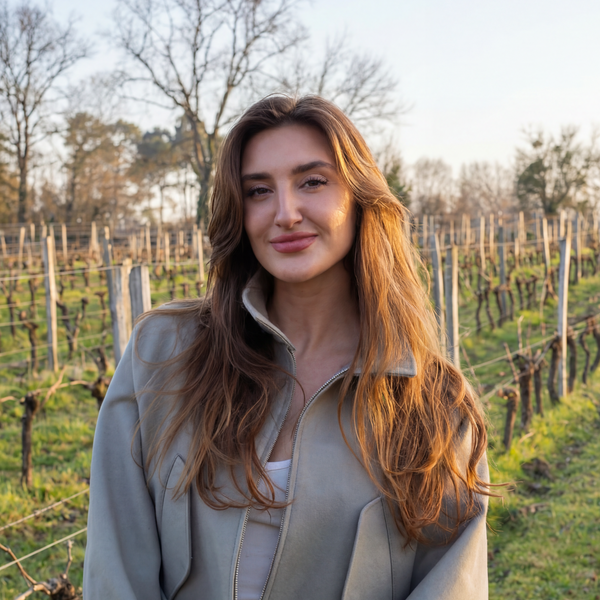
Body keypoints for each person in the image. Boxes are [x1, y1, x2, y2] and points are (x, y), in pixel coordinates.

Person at [83, 95, 491, 600]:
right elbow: (116, 568)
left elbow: (449, 585)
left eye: (312, 182)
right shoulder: (163, 354)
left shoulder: (434, 404)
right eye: (258, 191)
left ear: (360, 197)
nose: (285, 213)